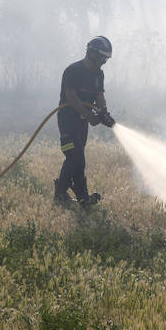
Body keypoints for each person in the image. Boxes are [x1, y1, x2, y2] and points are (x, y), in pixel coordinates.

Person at [54, 36, 115, 208]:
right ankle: (81, 198)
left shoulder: (98, 74)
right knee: (76, 158)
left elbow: (99, 96)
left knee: (74, 158)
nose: (103, 62)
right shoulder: (73, 71)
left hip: (81, 122)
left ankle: (62, 195)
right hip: (67, 120)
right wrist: (88, 114)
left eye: (106, 59)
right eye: (101, 57)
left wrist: (103, 112)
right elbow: (71, 97)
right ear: (90, 53)